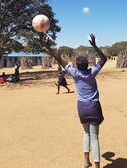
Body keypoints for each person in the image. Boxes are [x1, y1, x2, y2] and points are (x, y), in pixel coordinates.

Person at [44, 33, 107, 168]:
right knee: (94, 137)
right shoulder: (93, 72)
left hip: (82, 107)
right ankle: (97, 166)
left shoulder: (74, 73)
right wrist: (94, 45)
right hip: (94, 106)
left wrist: (48, 46)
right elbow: (104, 58)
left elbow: (58, 58)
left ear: (77, 66)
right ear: (87, 64)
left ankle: (86, 161)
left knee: (86, 133)